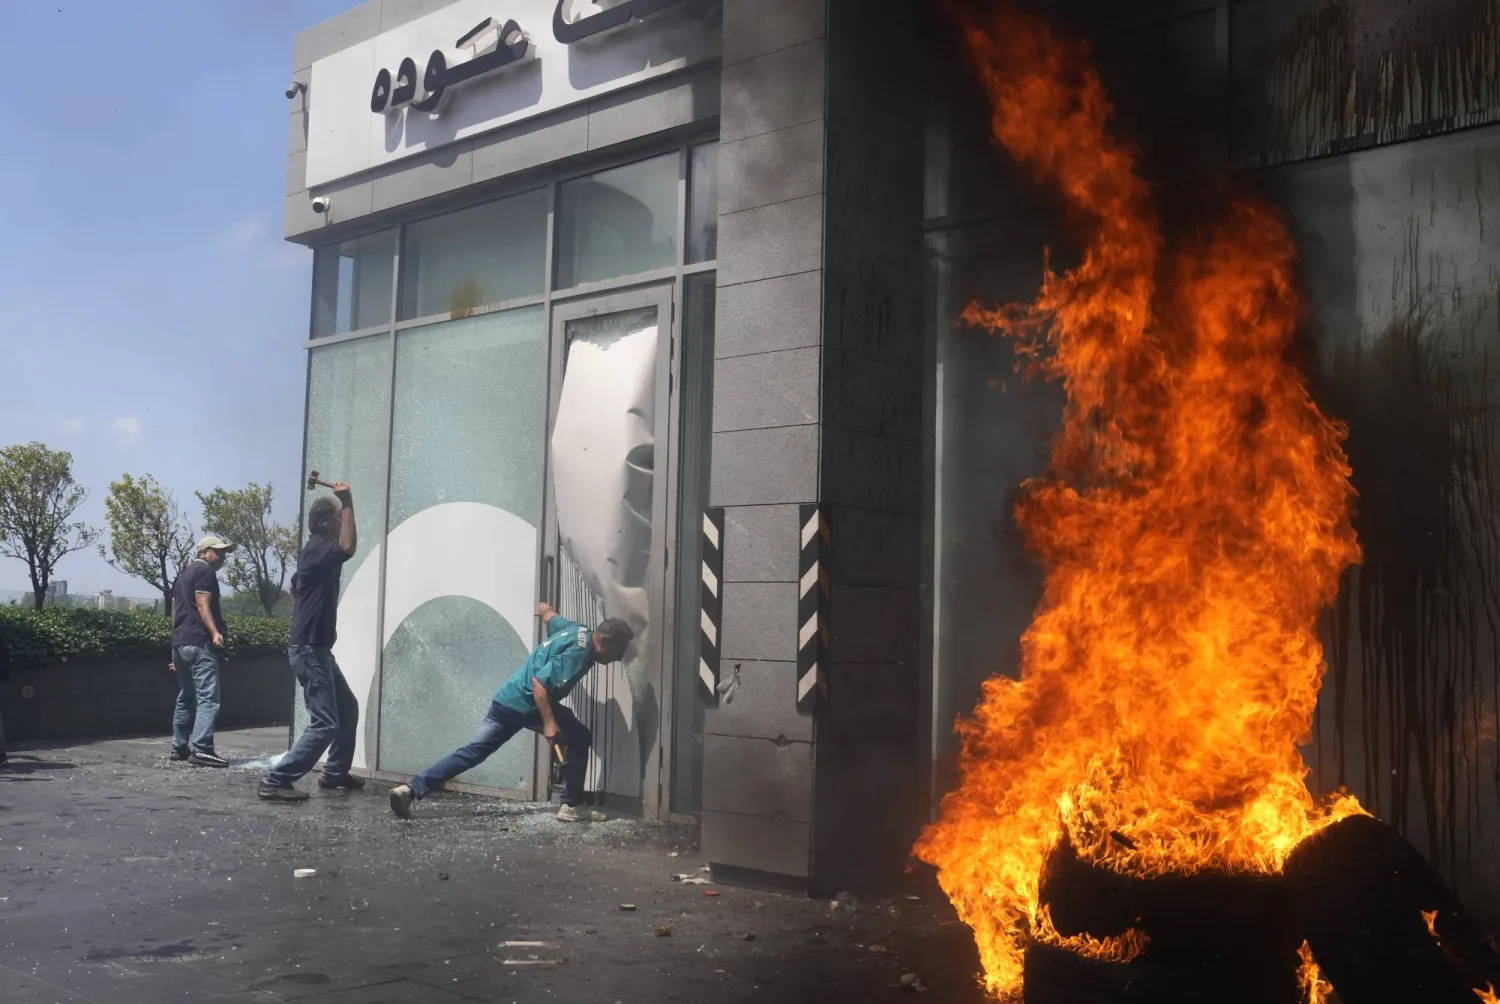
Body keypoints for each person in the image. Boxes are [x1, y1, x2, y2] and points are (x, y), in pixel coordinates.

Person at [388, 603, 633, 822]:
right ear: (606, 642)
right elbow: (540, 686)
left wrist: (543, 609)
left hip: (506, 700)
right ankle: (571, 805)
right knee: (579, 736)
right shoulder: (578, 655)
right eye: (620, 650)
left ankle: (410, 790)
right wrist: (549, 723)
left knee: (473, 752)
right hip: (528, 703)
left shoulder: (576, 629)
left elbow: (548, 613)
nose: (620, 657)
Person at [258, 484, 360, 802]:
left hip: (317, 649)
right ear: (328, 523)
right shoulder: (319, 549)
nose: (342, 524)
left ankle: (334, 773)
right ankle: (275, 779)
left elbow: (296, 586)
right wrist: (347, 501)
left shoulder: (315, 554)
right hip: (309, 649)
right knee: (325, 722)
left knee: (347, 707)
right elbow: (348, 548)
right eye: (338, 519)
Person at [170, 535, 235, 768]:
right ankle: (203, 749)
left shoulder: (183, 575)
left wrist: (173, 652)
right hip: (199, 642)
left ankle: (179, 747)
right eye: (219, 552)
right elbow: (202, 604)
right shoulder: (205, 572)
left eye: (225, 553)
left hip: (181, 644)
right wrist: (215, 632)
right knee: (208, 697)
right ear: (204, 552)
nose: (223, 557)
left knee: (186, 695)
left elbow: (176, 614)